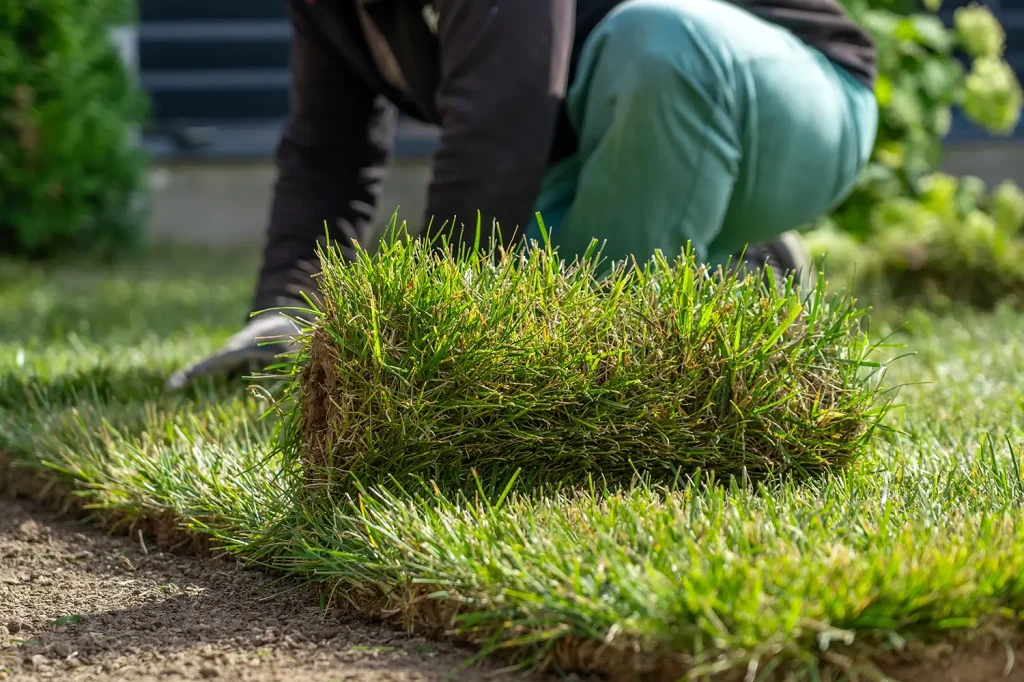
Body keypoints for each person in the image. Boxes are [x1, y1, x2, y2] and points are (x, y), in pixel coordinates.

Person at [166, 0, 877, 390]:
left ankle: (642, 343)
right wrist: (286, 314)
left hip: (788, 99)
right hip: (602, 159)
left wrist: (426, 346)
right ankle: (741, 274)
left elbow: (498, 124)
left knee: (659, 43)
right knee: (526, 303)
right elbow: (328, 148)